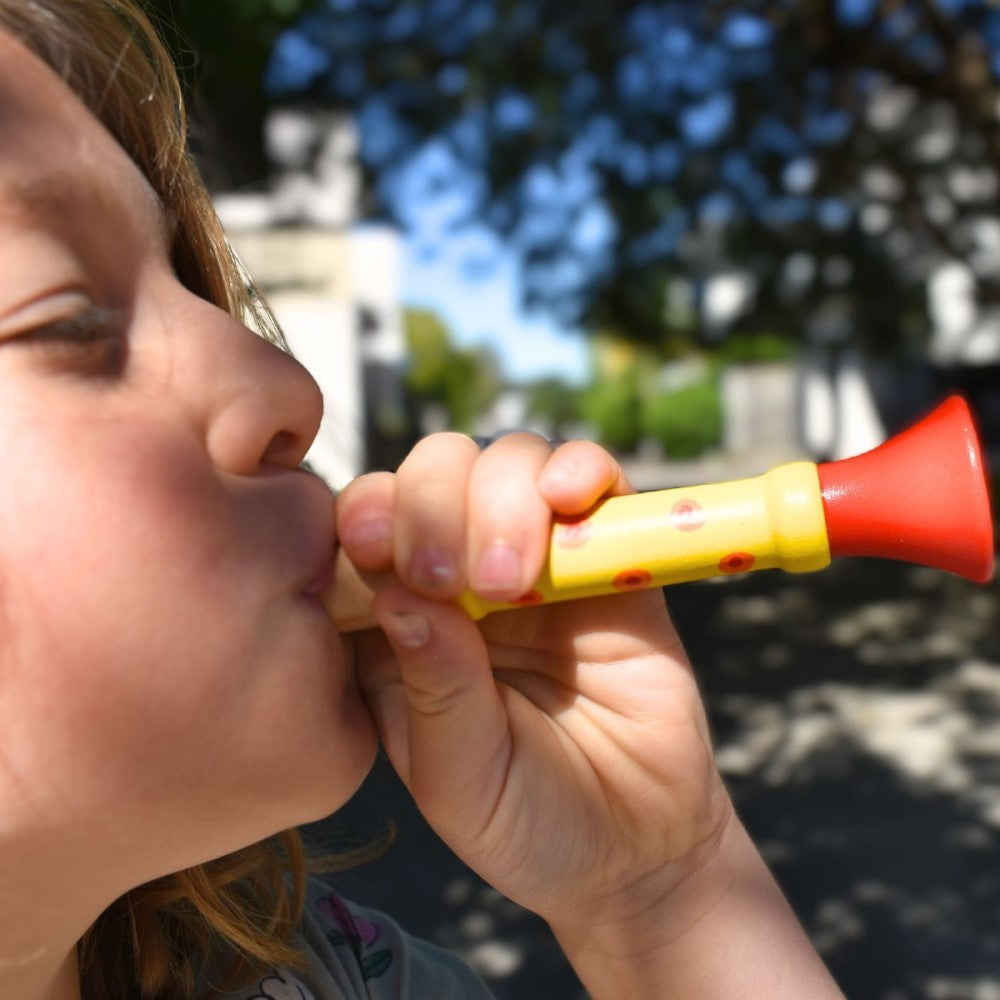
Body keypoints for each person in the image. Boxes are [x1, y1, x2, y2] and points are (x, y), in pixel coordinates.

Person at [0, 1, 846, 998]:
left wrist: (660, 902)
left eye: (190, 283)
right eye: (66, 320)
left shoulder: (338, 978)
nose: (288, 389)